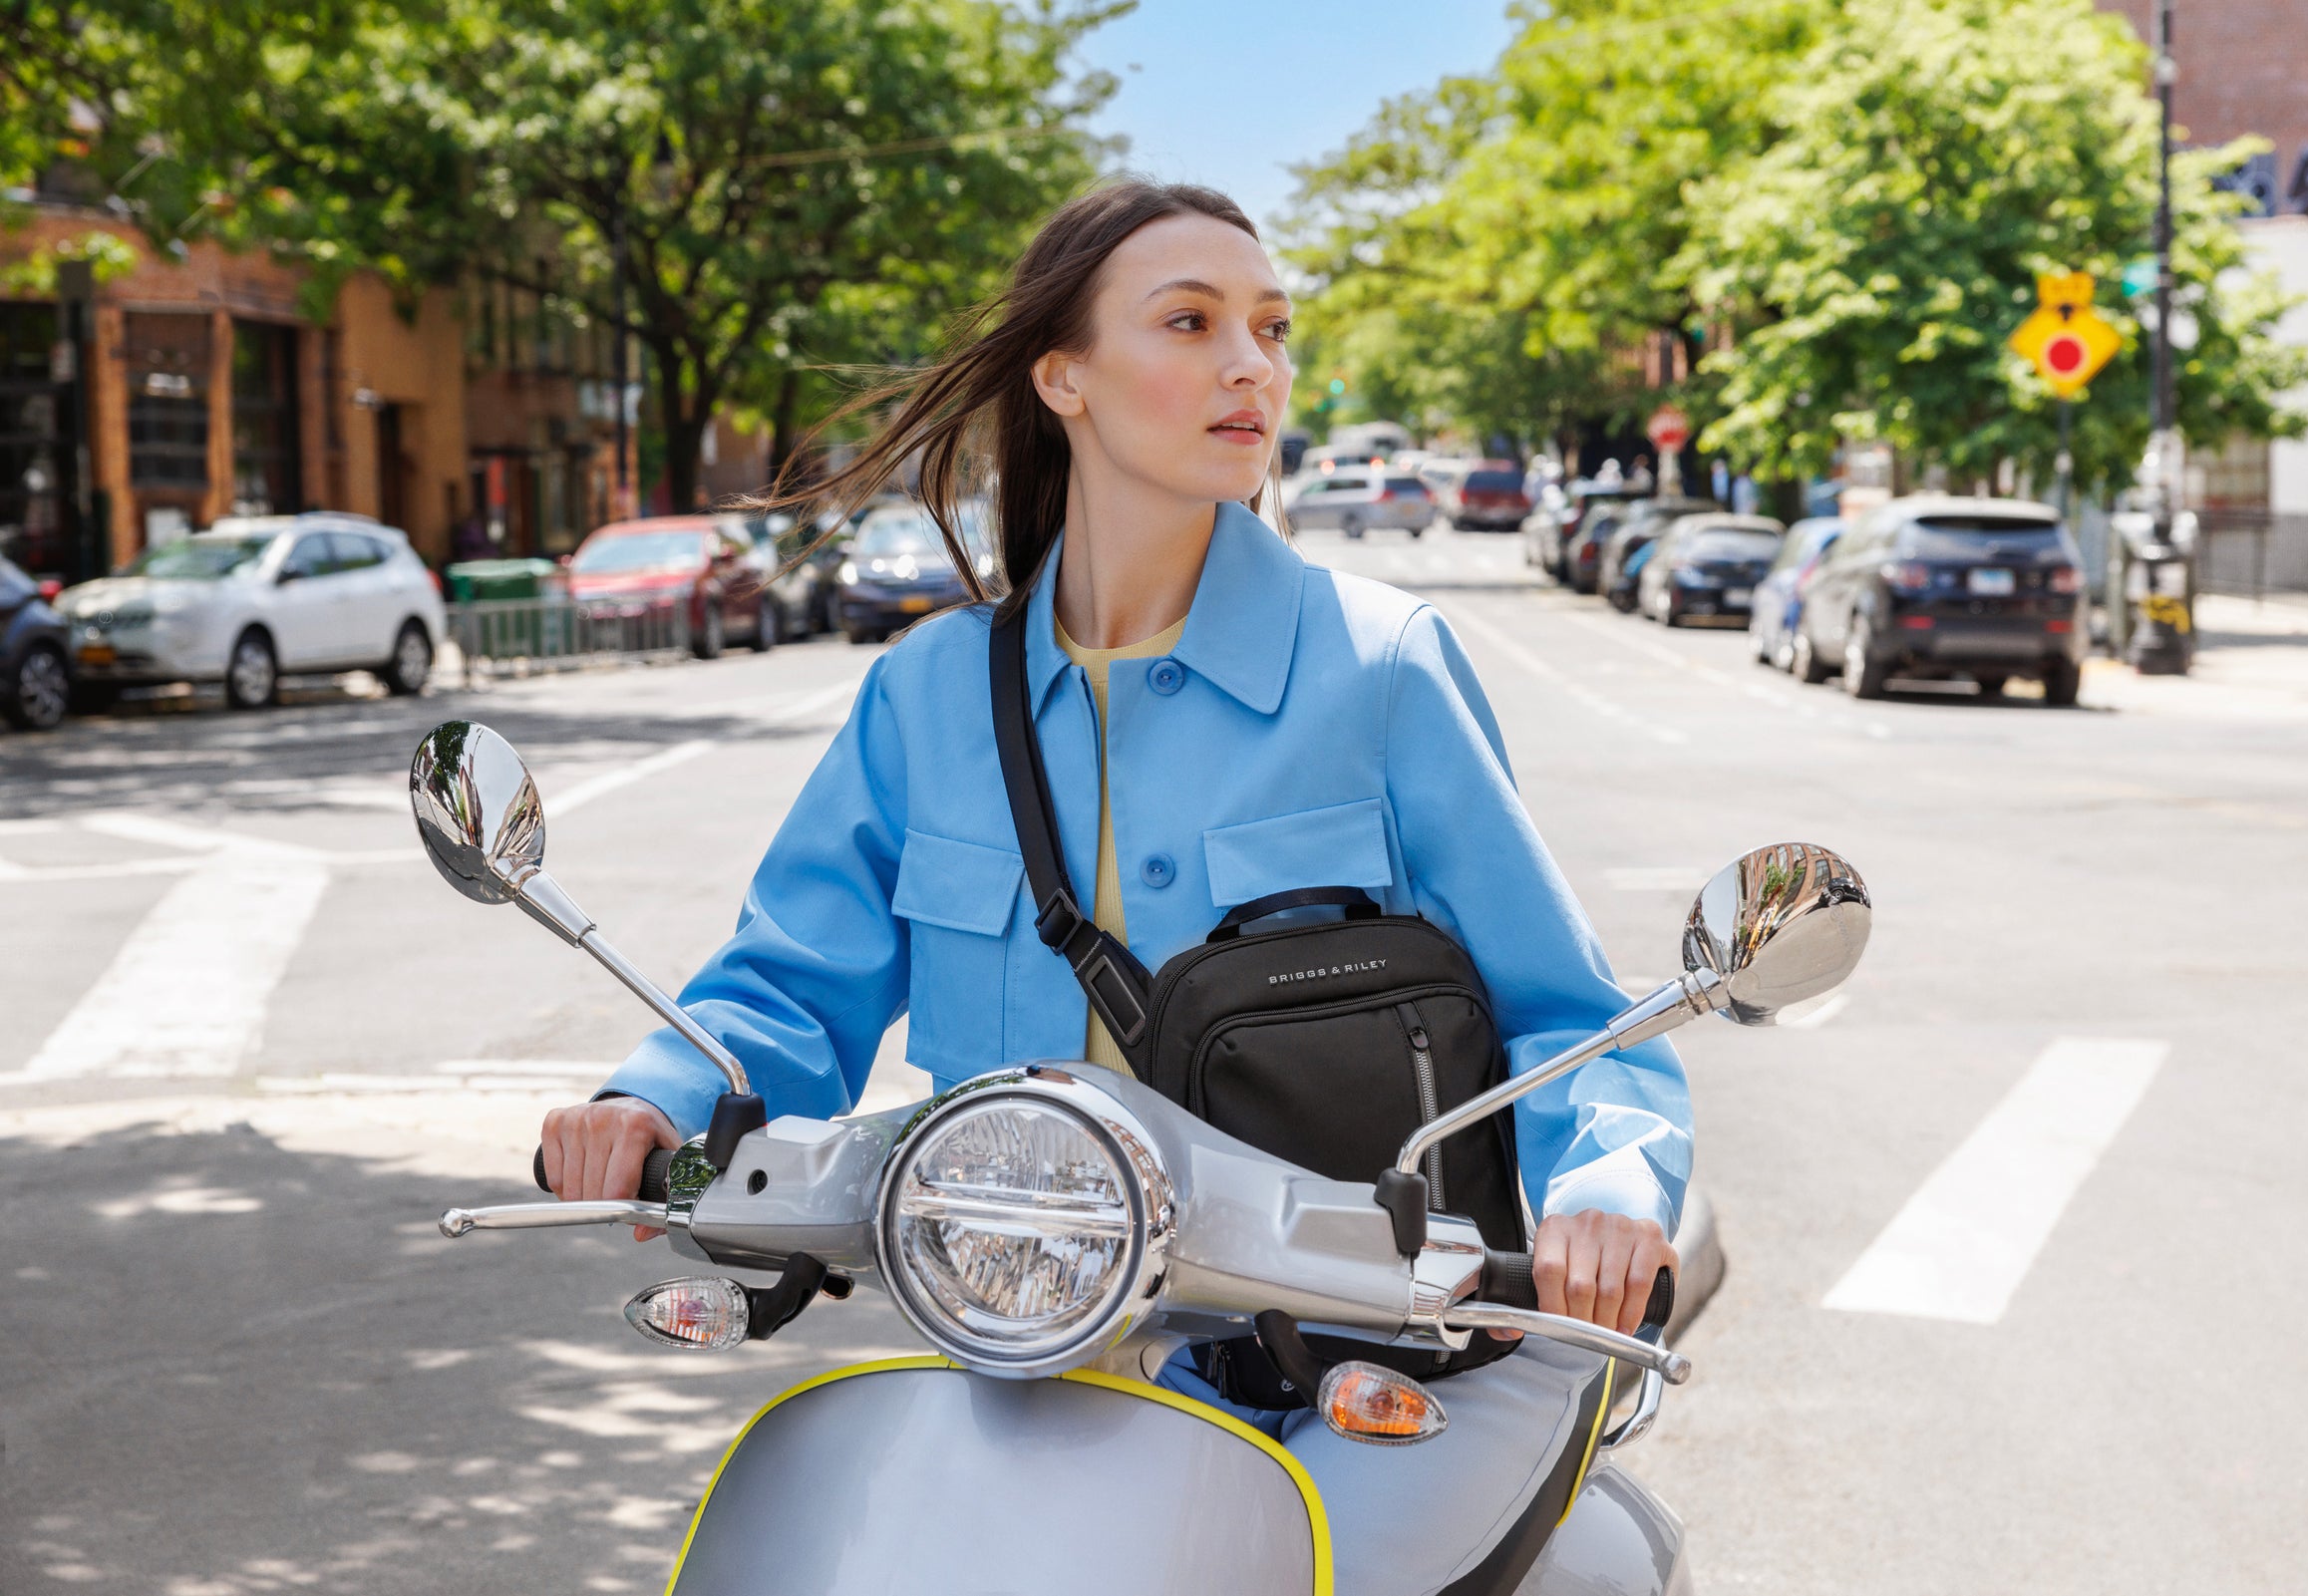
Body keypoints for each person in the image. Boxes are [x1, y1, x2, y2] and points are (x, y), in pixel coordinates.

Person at [539, 180, 1689, 1382]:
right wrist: (654, 1101)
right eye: (1191, 323)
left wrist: (1605, 1186)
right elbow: (787, 985)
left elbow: (1566, 1014)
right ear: (1062, 376)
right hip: (1001, 1366)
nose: (1252, 365)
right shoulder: (925, 695)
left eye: (1272, 328)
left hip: (1333, 1386)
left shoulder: (1380, 667)